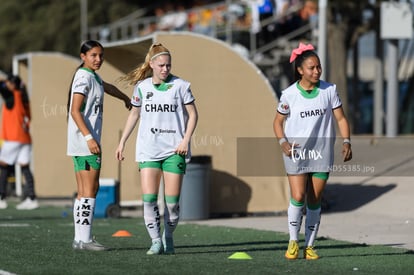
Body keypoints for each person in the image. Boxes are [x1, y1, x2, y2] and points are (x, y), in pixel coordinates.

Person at [116, 43, 198, 255]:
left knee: (171, 204)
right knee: (149, 199)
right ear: (151, 64)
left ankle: (168, 237)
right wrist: (122, 141)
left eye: (168, 65)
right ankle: (155, 241)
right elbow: (134, 114)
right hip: (148, 149)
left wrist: (185, 140)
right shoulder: (142, 88)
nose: (165, 69)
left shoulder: (181, 86)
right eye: (161, 65)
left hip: (174, 150)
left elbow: (193, 115)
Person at [273, 42, 352, 260]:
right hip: (296, 152)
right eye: (312, 67)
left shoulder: (329, 90)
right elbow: (278, 122)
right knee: (298, 196)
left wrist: (346, 141)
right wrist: (283, 143)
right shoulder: (289, 94)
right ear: (300, 70)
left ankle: (309, 246)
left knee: (314, 199)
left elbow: (341, 118)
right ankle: (292, 242)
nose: (317, 71)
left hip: (321, 152)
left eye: (318, 67)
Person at [67, 40, 131, 251]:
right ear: (83, 56)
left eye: (101, 55)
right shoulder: (83, 77)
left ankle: (79, 239)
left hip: (82, 141)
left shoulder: (93, 76)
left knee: (83, 191)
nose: (98, 59)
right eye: (93, 55)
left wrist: (124, 98)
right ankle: (85, 240)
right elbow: (75, 110)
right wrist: (89, 138)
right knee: (90, 190)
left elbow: (106, 87)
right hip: (86, 142)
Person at [0, 75, 38, 210]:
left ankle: (2, 197)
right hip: (25, 138)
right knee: (25, 168)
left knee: (3, 167)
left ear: (13, 85)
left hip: (13, 138)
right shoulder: (23, 98)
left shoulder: (12, 97)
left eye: (9, 83)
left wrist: (3, 80)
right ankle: (32, 198)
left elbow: (2, 88)